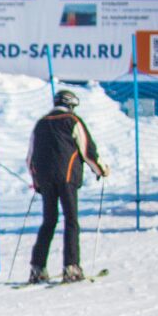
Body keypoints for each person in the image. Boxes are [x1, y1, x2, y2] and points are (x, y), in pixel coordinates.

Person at [27, 90, 108, 283]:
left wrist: (37, 181)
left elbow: (30, 157)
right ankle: (71, 267)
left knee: (49, 221)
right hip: (67, 177)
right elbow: (87, 150)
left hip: (46, 180)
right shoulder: (72, 120)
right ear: (71, 105)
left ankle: (37, 268)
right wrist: (101, 170)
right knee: (71, 220)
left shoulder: (40, 123)